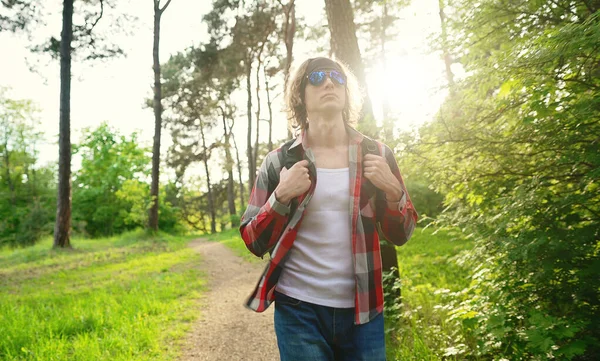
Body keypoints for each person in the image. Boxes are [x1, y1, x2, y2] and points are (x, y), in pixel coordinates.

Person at [239, 57, 418, 361]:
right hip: (298, 309)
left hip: (364, 308)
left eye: (337, 77)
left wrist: (393, 191)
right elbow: (253, 240)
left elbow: (401, 233)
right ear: (300, 95)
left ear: (347, 92)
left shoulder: (377, 154)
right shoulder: (280, 161)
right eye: (317, 76)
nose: (329, 82)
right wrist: (280, 196)